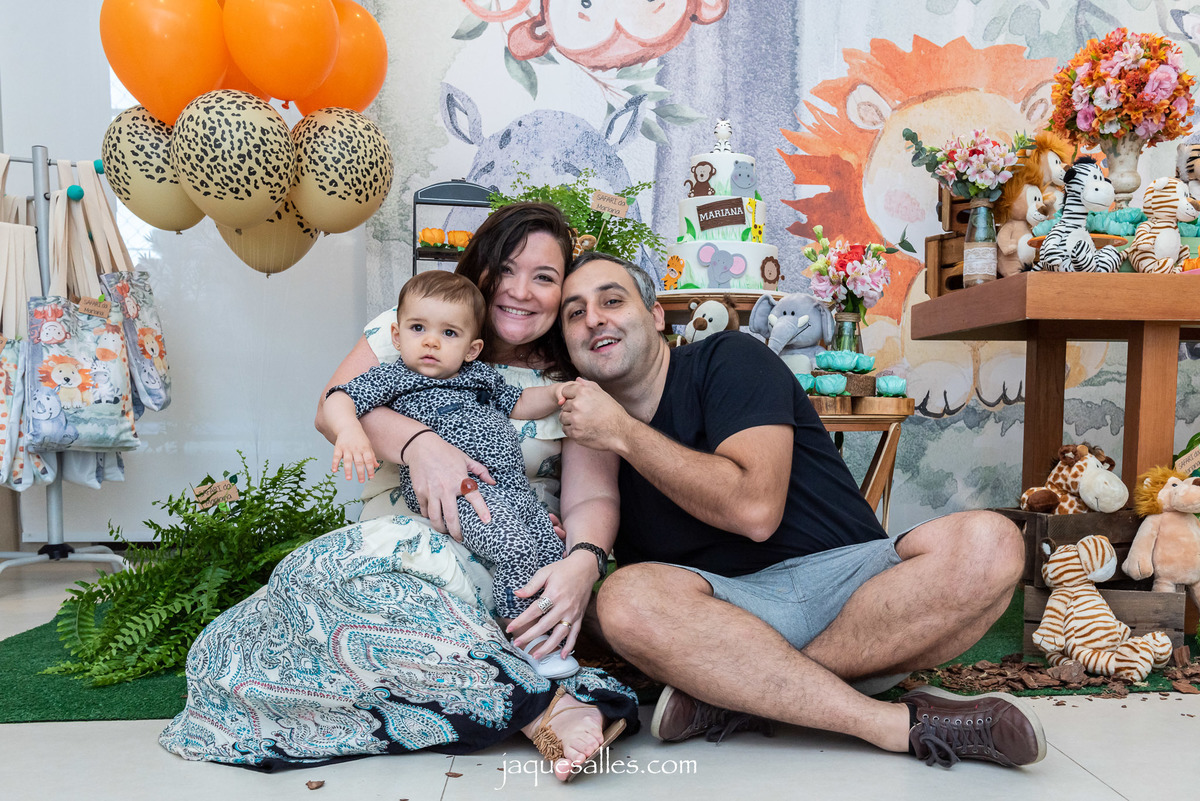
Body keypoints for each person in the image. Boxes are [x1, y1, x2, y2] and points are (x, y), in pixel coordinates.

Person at [160, 203, 636, 781]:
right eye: (506, 269)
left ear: (564, 288)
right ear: (479, 269)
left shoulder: (568, 372)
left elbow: (591, 497)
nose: (520, 291)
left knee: (387, 621)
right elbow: (333, 404)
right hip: (392, 556)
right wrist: (421, 445)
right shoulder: (423, 322)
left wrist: (584, 564)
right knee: (271, 619)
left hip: (504, 564)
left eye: (544, 277)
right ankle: (542, 701)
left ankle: (526, 693)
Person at [555, 252, 1045, 769]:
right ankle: (891, 725)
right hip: (724, 615)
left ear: (656, 316)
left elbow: (754, 510)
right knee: (624, 600)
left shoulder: (731, 357)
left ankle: (729, 698)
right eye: (574, 313)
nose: (594, 318)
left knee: (992, 542)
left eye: (612, 300)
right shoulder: (585, 433)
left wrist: (625, 433)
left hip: (856, 597)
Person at [323, 269, 575, 675]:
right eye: (418, 328)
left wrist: (558, 393)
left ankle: (550, 633)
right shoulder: (394, 377)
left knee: (549, 547)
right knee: (512, 547)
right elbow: (338, 398)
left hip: (512, 489)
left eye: (449, 334)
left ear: (472, 349)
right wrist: (350, 428)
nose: (431, 341)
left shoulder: (477, 377)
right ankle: (526, 640)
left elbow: (521, 403)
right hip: (460, 493)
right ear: (397, 334)